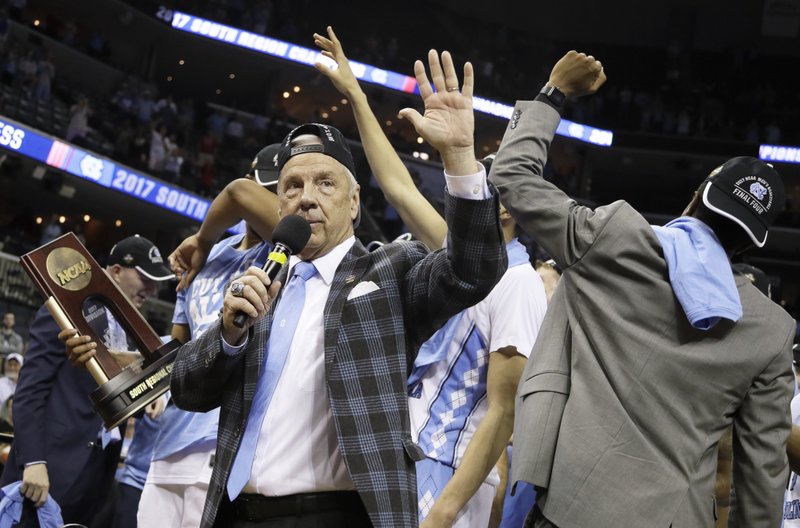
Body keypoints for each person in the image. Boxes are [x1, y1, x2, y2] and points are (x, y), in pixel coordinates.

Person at [168, 49, 507, 528]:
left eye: (325, 183)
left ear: (353, 203)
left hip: (338, 514)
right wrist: (227, 335)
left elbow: (474, 269)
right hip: (233, 512)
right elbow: (186, 389)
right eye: (292, 186)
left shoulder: (390, 270)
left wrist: (458, 157)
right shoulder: (258, 282)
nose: (306, 196)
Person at [490, 51, 794, 528]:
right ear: (752, 240)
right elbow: (761, 478)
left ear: (696, 194)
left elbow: (511, 175)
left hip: (570, 503)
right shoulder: (772, 331)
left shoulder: (614, 239)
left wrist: (555, 91)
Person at [313, 26, 546, 527]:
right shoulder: (454, 251)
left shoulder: (522, 284)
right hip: (404, 454)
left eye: (485, 190)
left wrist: (445, 510)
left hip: (450, 474)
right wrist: (355, 95)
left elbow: (502, 413)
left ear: (505, 209)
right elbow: (396, 186)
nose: (472, 196)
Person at [135, 144, 280, 528]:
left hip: (227, 440)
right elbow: (178, 346)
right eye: (269, 188)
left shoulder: (285, 255)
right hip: (171, 437)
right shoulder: (211, 257)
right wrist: (118, 363)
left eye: (277, 191)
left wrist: (201, 238)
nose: (270, 199)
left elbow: (236, 192)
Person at [0, 235, 174, 527]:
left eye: (156, 281)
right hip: (49, 466)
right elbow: (30, 390)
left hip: (96, 473)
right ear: (116, 271)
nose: (152, 289)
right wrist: (33, 461)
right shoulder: (64, 313)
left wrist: (148, 400)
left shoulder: (132, 329)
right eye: (145, 277)